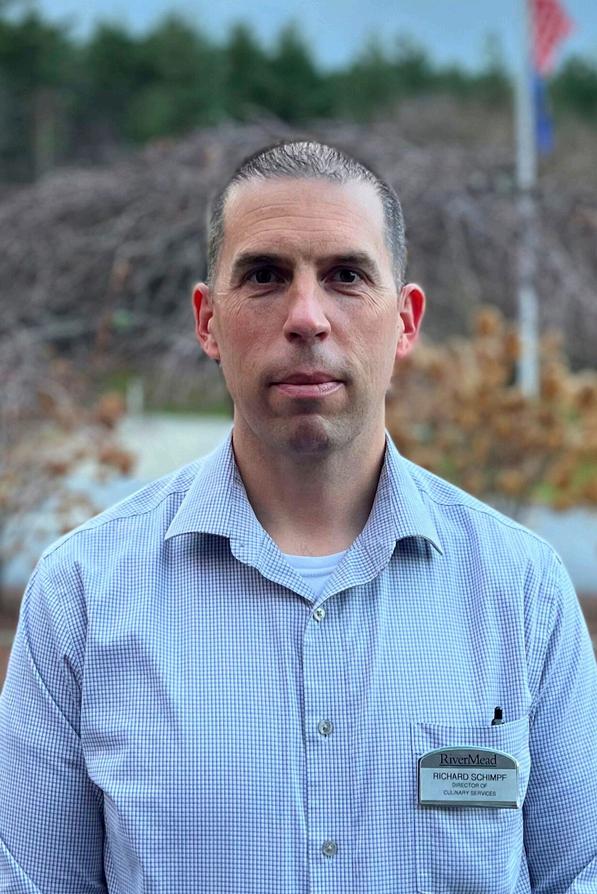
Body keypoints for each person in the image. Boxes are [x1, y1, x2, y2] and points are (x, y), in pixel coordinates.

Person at [0, 140, 595, 894]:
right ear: (208, 322)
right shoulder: (81, 595)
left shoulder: (524, 590)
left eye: (346, 276)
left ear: (405, 322)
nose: (307, 317)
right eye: (265, 276)